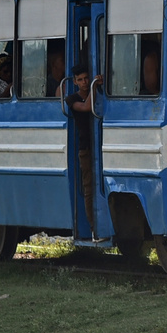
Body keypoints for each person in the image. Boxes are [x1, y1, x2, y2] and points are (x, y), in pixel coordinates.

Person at [66, 64, 102, 238]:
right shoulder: (71, 99)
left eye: (86, 78)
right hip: (86, 149)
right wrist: (96, 85)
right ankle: (94, 226)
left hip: (100, 145)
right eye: (80, 80)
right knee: (89, 188)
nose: (84, 82)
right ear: (74, 82)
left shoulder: (97, 93)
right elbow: (87, 107)